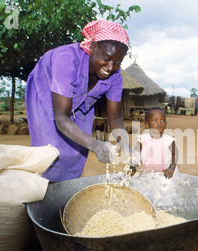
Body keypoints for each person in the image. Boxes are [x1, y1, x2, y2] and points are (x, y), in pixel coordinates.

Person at [25, 20, 137, 182]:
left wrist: (128, 151)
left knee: (78, 149)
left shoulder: (115, 76)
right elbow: (62, 118)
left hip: (83, 102)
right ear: (92, 48)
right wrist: (96, 145)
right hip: (47, 94)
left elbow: (115, 118)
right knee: (50, 151)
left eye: (118, 62)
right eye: (106, 58)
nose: (111, 67)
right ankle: (46, 189)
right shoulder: (66, 59)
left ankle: (67, 188)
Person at [137, 107, 178, 179]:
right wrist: (134, 166)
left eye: (162, 120)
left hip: (165, 175)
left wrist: (171, 168)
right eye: (154, 120)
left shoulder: (169, 140)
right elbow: (135, 154)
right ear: (146, 124)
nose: (159, 123)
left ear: (166, 123)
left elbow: (175, 154)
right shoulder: (142, 140)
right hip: (146, 175)